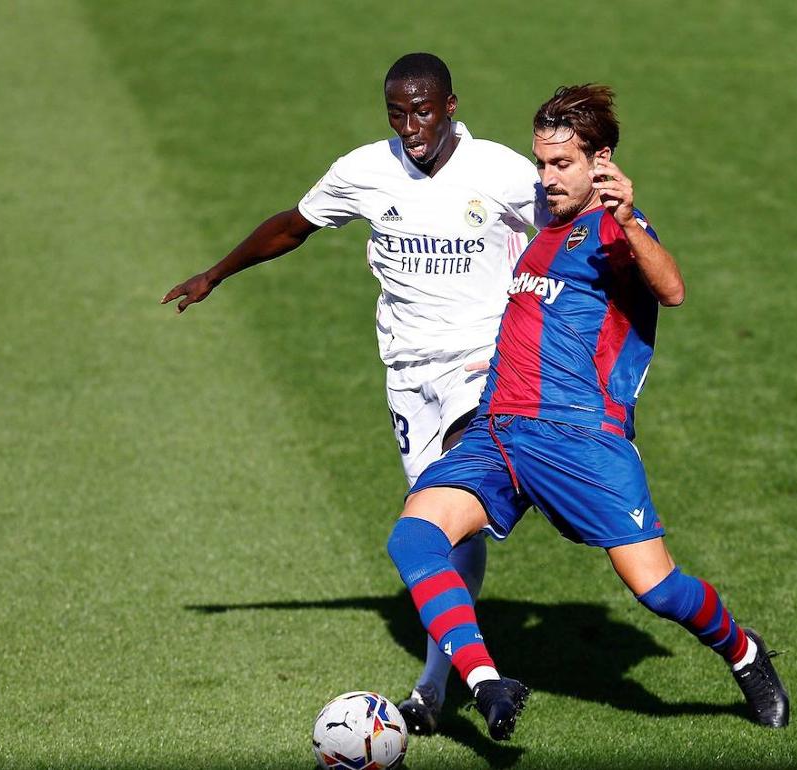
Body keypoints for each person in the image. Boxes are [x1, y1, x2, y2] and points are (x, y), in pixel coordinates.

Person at [384, 84, 789, 741]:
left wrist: (629, 219)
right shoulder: (544, 234)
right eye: (540, 163)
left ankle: (744, 652)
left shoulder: (611, 227)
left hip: (579, 439)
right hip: (499, 431)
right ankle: (488, 682)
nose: (545, 178)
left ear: (600, 161)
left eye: (560, 165)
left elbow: (673, 289)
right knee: (414, 535)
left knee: (657, 590)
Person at [161, 53, 546, 735]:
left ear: (450, 105)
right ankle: (446, 679)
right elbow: (293, 225)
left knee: (441, 508)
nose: (410, 125)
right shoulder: (365, 170)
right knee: (435, 528)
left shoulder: (504, 172)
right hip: (406, 372)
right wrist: (215, 274)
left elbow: (570, 228)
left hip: (481, 365)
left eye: (422, 110)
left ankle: (441, 684)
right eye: (397, 112)